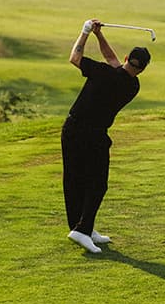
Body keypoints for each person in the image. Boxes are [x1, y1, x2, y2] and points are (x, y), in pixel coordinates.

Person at [60, 18, 151, 254]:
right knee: (97, 183)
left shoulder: (102, 72)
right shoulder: (133, 86)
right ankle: (82, 230)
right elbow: (112, 61)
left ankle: (82, 228)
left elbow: (75, 58)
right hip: (92, 133)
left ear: (125, 60)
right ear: (142, 69)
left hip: (74, 129)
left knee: (77, 179)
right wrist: (99, 35)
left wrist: (86, 32)